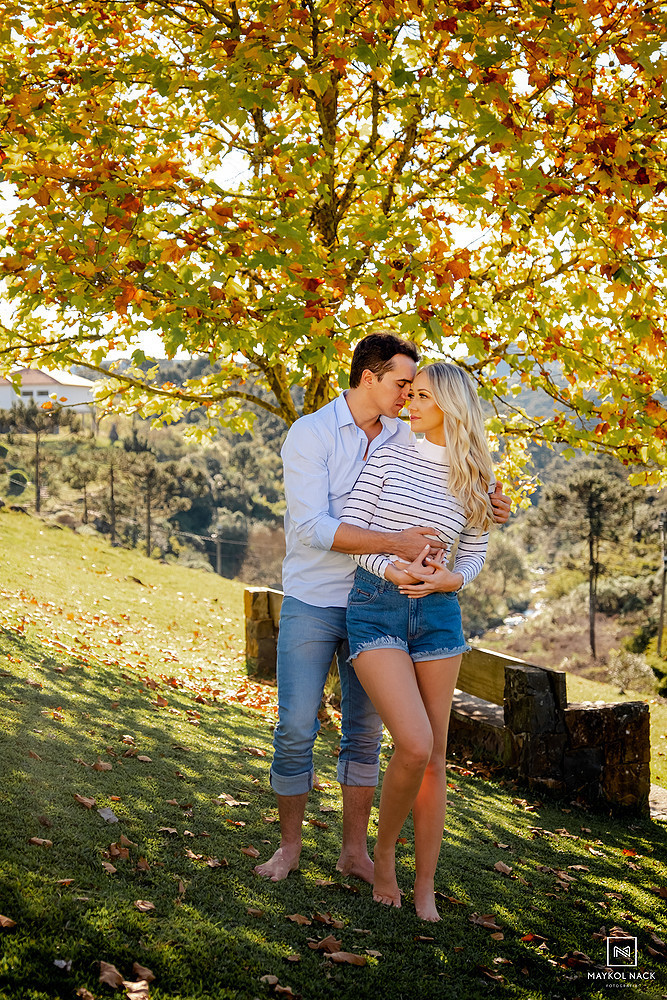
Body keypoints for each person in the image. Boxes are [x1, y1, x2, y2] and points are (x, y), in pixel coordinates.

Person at [254, 335, 510, 883]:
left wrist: (490, 502)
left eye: (417, 391)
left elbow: (451, 475)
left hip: (381, 605)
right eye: (401, 386)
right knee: (297, 725)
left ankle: (354, 852)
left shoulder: (404, 431)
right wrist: (394, 545)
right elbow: (311, 527)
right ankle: (291, 847)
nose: (408, 398)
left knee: (364, 733)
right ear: (369, 378)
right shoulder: (312, 434)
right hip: (317, 596)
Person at [341, 361, 495, 921]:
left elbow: (474, 551)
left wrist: (454, 578)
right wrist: (392, 569)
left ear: (450, 405)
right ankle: (384, 857)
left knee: (436, 759)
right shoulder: (387, 453)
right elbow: (355, 539)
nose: (411, 403)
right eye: (411, 393)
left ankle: (424, 884)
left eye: (423, 396)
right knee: (413, 742)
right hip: (377, 607)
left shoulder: (474, 474)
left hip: (439, 618)